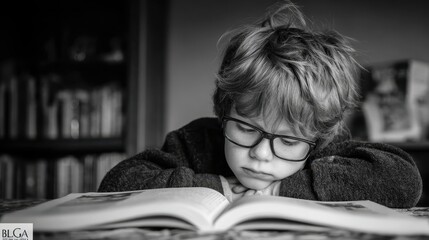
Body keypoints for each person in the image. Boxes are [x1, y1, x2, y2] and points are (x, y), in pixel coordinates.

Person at [98, 1, 422, 208]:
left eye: (289, 141)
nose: (261, 155)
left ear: (315, 138)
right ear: (225, 113)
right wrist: (214, 187)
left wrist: (282, 189)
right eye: (245, 128)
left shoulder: (324, 147)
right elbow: (117, 183)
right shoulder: (195, 141)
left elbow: (404, 181)